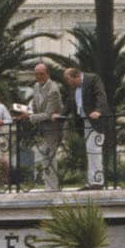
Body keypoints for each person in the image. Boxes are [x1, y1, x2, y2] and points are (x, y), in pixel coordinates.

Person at [63, 65, 111, 189]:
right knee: (89, 150)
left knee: (94, 149)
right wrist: (61, 115)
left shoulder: (92, 79)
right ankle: (92, 181)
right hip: (85, 121)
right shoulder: (74, 87)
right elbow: (70, 102)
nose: (68, 83)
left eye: (69, 80)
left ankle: (98, 182)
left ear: (77, 76)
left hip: (96, 120)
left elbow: (101, 95)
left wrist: (98, 111)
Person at [26, 62, 65, 192]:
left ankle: (53, 187)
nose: (39, 77)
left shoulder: (53, 89)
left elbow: (49, 114)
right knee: (45, 157)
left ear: (47, 74)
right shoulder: (36, 86)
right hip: (42, 128)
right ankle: (49, 186)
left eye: (41, 74)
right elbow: (36, 108)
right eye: (36, 74)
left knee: (49, 157)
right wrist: (27, 112)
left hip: (53, 128)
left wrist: (30, 117)